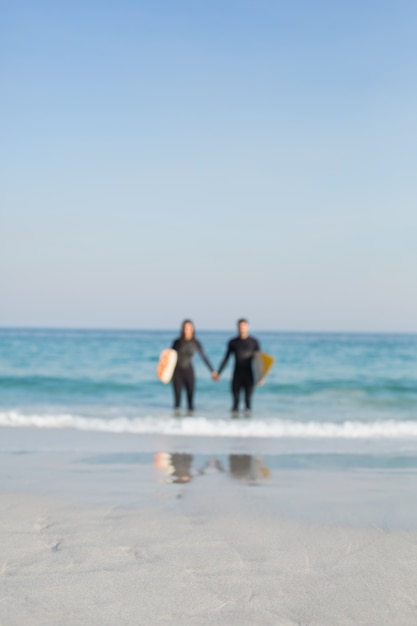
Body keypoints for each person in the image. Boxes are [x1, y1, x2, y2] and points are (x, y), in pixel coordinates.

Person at [213, 318, 261, 415]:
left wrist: (261, 376)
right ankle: (234, 426)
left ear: (248, 327)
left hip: (249, 375)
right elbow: (226, 359)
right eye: (240, 326)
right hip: (237, 375)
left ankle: (247, 425)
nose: (242, 328)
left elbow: (259, 360)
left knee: (248, 401)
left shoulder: (254, 342)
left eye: (244, 326)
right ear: (237, 327)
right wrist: (219, 372)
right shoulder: (233, 342)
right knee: (235, 402)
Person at [171, 320, 215, 413]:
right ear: (182, 329)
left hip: (189, 372)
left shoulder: (196, 342)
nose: (187, 330)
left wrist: (212, 371)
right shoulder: (177, 342)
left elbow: (204, 357)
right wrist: (164, 373)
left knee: (190, 400)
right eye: (185, 328)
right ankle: (176, 423)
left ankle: (190, 423)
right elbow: (169, 357)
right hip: (177, 373)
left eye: (189, 328)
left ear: (192, 329)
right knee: (177, 401)